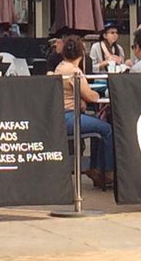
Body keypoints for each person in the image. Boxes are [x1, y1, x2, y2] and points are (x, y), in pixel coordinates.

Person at [49, 36, 115, 189]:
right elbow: (90, 96)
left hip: (61, 115)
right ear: (81, 54)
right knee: (107, 129)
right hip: (69, 117)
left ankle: (96, 169)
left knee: (98, 125)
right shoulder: (74, 71)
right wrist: (97, 94)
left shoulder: (60, 66)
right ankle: (107, 171)